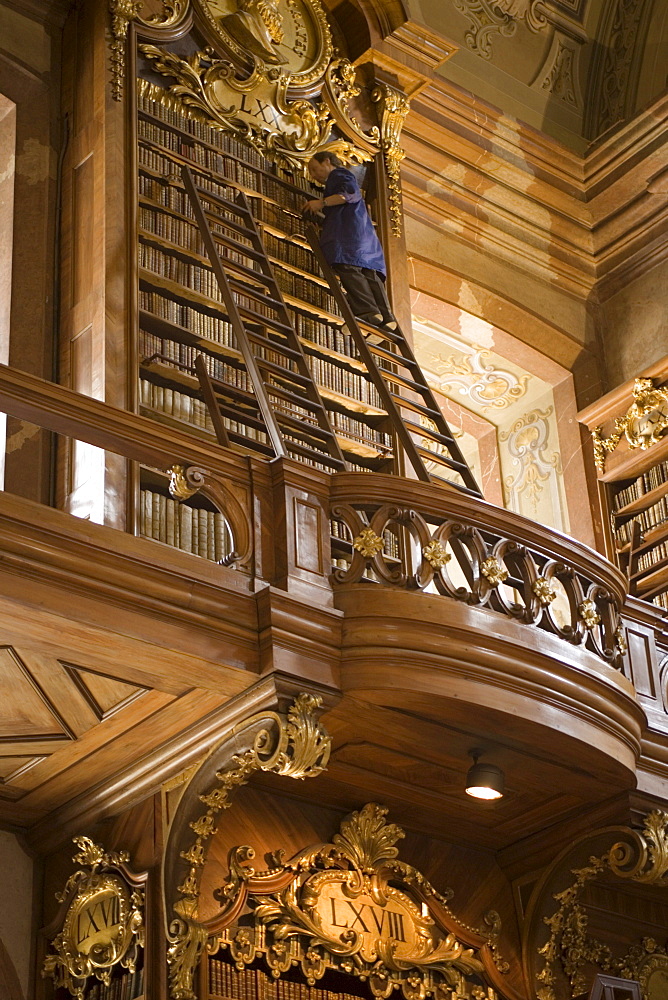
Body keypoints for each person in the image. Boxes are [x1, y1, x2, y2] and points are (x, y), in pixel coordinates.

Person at [304, 152, 397, 332]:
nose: (314, 176)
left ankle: (367, 311)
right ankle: (386, 317)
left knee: (348, 268)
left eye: (315, 169)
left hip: (349, 235)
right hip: (364, 236)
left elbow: (349, 194)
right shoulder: (340, 178)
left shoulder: (339, 175)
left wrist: (321, 203)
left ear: (327, 161)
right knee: (370, 274)